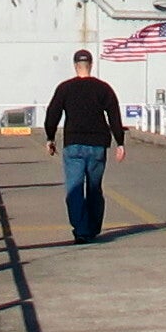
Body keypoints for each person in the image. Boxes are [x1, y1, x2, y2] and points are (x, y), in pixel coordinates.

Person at [42, 48, 126, 243]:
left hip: (73, 145)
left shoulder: (65, 88)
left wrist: (50, 138)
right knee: (95, 188)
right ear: (91, 65)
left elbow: (52, 113)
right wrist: (120, 142)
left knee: (74, 188)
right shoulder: (103, 88)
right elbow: (114, 115)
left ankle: (81, 230)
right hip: (97, 146)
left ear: (75, 66)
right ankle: (93, 227)